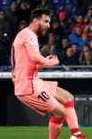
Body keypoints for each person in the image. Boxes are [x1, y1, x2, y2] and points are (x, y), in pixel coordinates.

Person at [11, 8, 87, 139]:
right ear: (35, 21)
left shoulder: (25, 34)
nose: (48, 25)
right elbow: (35, 57)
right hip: (28, 86)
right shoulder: (29, 35)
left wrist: (45, 62)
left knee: (68, 97)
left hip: (33, 81)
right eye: (46, 21)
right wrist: (49, 62)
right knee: (59, 112)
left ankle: (77, 135)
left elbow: (29, 62)